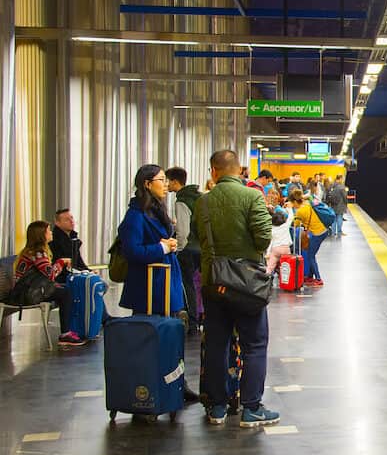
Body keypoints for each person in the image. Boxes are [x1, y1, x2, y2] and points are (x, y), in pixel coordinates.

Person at [195, 149, 278, 428]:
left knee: (218, 344)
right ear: (239, 169)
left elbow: (198, 239)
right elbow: (263, 238)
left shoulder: (202, 203)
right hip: (245, 285)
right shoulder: (252, 196)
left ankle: (217, 407)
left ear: (213, 171)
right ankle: (251, 408)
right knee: (254, 344)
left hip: (213, 283)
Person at [118, 165, 198, 402]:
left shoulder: (157, 210)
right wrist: (162, 247)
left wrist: (168, 244)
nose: (165, 184)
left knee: (171, 337)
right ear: (146, 183)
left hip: (166, 284)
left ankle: (176, 384)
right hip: (149, 287)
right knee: (149, 340)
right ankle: (147, 389)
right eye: (161, 180)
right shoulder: (135, 215)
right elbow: (131, 251)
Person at [14, 221, 83, 346]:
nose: (51, 233)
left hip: (25, 291)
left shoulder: (31, 251)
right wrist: (61, 262)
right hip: (27, 294)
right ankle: (65, 334)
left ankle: (67, 331)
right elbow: (50, 274)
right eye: (48, 230)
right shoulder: (38, 253)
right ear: (42, 235)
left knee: (64, 290)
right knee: (66, 292)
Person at [166, 167, 202, 333]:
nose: (166, 185)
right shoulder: (199, 197)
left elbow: (183, 230)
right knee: (201, 284)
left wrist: (179, 249)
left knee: (187, 285)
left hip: (188, 249)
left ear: (174, 181)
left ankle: (192, 322)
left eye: (167, 181)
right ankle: (202, 318)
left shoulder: (181, 200)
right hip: (202, 247)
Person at [288, 188, 328, 286]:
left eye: (292, 203)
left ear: (294, 201)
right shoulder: (307, 203)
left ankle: (318, 279)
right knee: (310, 252)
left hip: (317, 233)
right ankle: (310, 277)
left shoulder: (300, 211)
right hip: (323, 230)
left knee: (310, 256)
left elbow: (295, 225)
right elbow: (310, 197)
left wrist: (289, 209)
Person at [49, 208, 90, 282]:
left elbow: (78, 261)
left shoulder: (73, 237)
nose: (72, 221)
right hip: (62, 279)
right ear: (57, 223)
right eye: (67, 220)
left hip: (74, 275)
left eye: (72, 218)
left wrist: (89, 272)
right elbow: (68, 266)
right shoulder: (54, 240)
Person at [265, 209, 292, 275]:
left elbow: (270, 242)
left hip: (275, 249)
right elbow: (291, 217)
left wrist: (268, 253)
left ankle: (266, 277)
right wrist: (289, 209)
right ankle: (286, 280)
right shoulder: (285, 226)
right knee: (287, 266)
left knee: (270, 266)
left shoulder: (271, 229)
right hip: (285, 248)